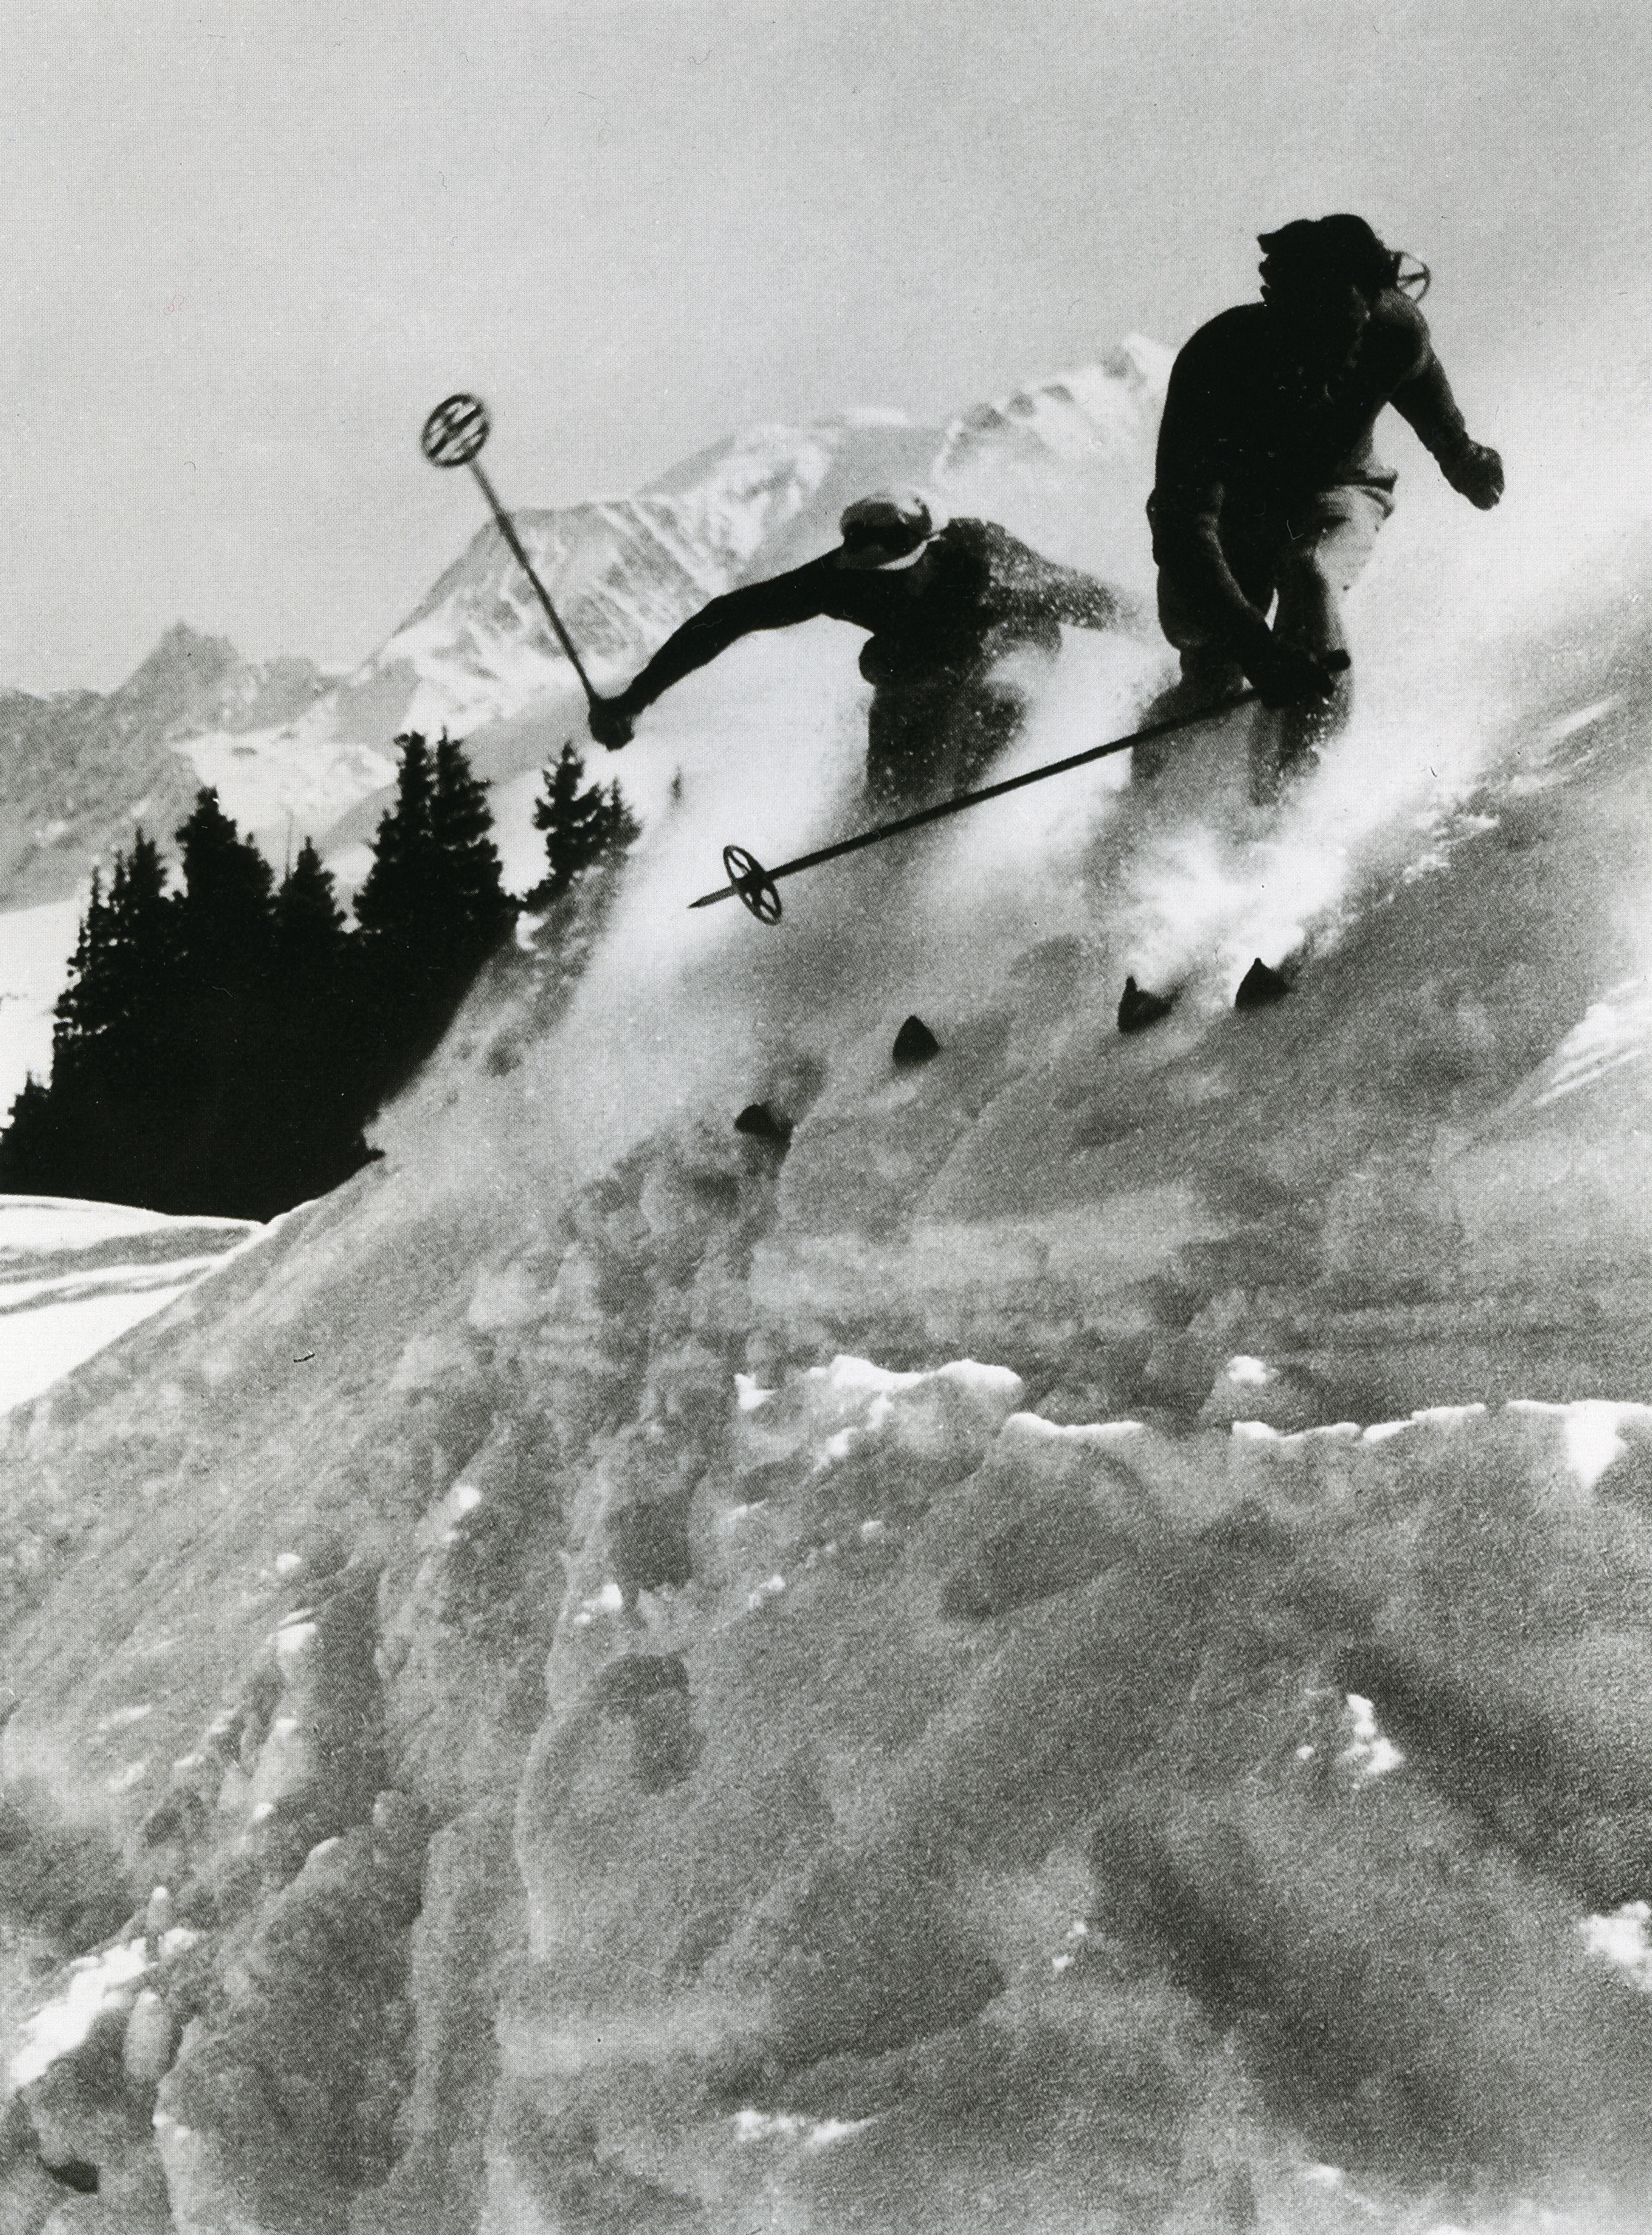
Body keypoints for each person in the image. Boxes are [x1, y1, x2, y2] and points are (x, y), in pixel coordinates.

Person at [1145, 213, 1503, 798]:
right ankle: (1143, 794)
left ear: (1371, 303)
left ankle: (1297, 796)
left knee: (1310, 574)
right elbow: (1184, 529)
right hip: (1234, 515)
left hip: (1339, 489)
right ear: (1274, 305)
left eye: (1343, 332)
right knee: (1210, 677)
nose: (1324, 358)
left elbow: (1419, 379)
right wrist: (1254, 648)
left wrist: (1458, 454)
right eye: (1304, 332)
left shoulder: (1394, 328)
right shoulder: (1216, 361)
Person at [587, 493, 1129, 804]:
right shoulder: (839, 579)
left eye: (901, 572)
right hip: (925, 660)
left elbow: (1095, 600)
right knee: (889, 691)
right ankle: (888, 819)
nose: (889, 585)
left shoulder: (986, 561)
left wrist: (1192, 634)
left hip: (1014, 639)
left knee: (999, 697)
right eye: (874, 576)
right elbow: (727, 617)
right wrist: (636, 698)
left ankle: (973, 792)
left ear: (931, 549)